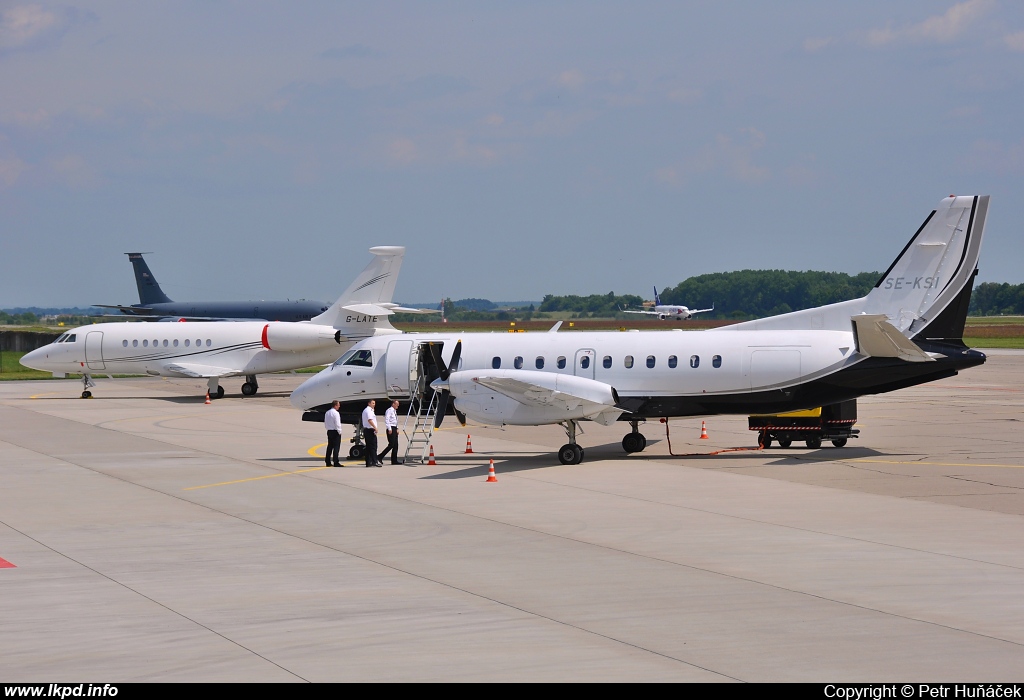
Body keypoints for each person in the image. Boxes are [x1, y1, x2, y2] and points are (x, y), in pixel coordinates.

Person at [378, 399, 403, 465]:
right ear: (393, 404)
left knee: (396, 445)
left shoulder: (394, 411)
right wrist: (389, 428)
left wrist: (397, 428)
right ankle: (380, 456)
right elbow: (387, 420)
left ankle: (394, 460)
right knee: (391, 444)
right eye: (397, 404)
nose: (398, 406)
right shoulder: (389, 410)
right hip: (391, 428)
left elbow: (395, 420)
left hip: (394, 428)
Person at [361, 399, 381, 467]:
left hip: (367, 430)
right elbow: (370, 420)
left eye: (374, 403)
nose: (374, 404)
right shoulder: (369, 411)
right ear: (369, 403)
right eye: (373, 403)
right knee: (373, 447)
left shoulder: (367, 410)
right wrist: (375, 427)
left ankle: (368, 462)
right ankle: (374, 461)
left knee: (369, 447)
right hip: (370, 430)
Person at [324, 400, 343, 467]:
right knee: (336, 447)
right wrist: (339, 431)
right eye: (338, 405)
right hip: (335, 431)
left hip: (329, 431)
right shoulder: (336, 413)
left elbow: (326, 422)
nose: (339, 406)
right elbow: (337, 423)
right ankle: (336, 461)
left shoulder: (327, 412)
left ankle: (327, 461)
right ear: (335, 406)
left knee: (329, 447)